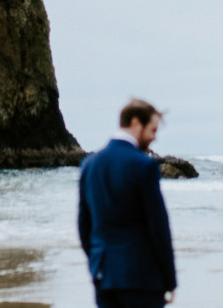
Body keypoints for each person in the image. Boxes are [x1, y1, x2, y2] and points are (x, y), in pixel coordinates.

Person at [77, 98, 177, 307]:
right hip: (141, 278)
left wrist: (97, 263)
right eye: (153, 130)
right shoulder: (143, 165)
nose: (154, 137)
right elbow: (158, 227)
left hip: (104, 276)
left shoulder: (89, 164)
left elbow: (84, 224)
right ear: (135, 123)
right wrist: (169, 280)